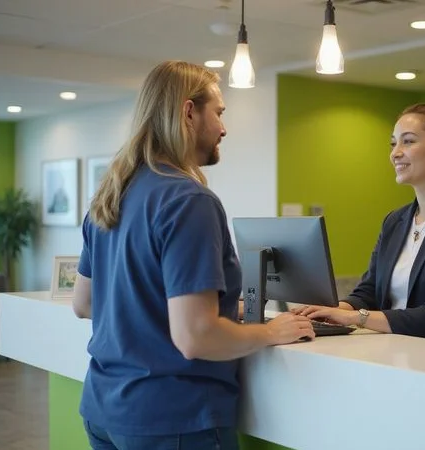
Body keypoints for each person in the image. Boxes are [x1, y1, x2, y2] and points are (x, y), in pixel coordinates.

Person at [71, 60, 314, 450]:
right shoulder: (189, 200)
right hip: (173, 420)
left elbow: (84, 303)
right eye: (218, 113)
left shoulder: (113, 194)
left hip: (105, 411)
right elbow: (195, 337)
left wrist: (202, 311)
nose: (224, 127)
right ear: (188, 112)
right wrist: (270, 331)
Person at [293, 103, 425, 347]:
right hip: (400, 357)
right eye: (393, 143)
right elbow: (368, 293)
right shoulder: (395, 221)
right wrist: (328, 311)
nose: (395, 152)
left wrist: (353, 317)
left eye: (407, 141)